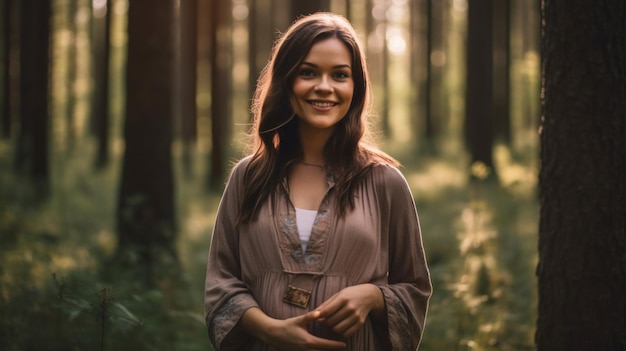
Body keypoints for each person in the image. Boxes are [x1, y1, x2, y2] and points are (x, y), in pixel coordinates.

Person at [204, 12, 431, 351]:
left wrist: (373, 296)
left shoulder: (386, 183)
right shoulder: (249, 177)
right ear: (286, 81)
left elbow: (414, 289)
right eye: (308, 72)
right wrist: (269, 330)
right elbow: (220, 283)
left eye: (340, 75)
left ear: (355, 88)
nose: (324, 87)